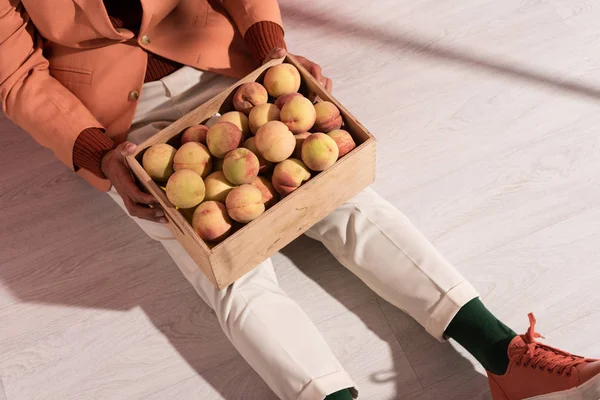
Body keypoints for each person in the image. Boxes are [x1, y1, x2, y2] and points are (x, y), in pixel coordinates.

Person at [1, 1, 599, 399]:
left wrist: (269, 43)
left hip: (226, 65)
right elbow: (15, 71)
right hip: (123, 123)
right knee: (230, 271)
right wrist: (97, 150)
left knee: (348, 201)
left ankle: (502, 355)